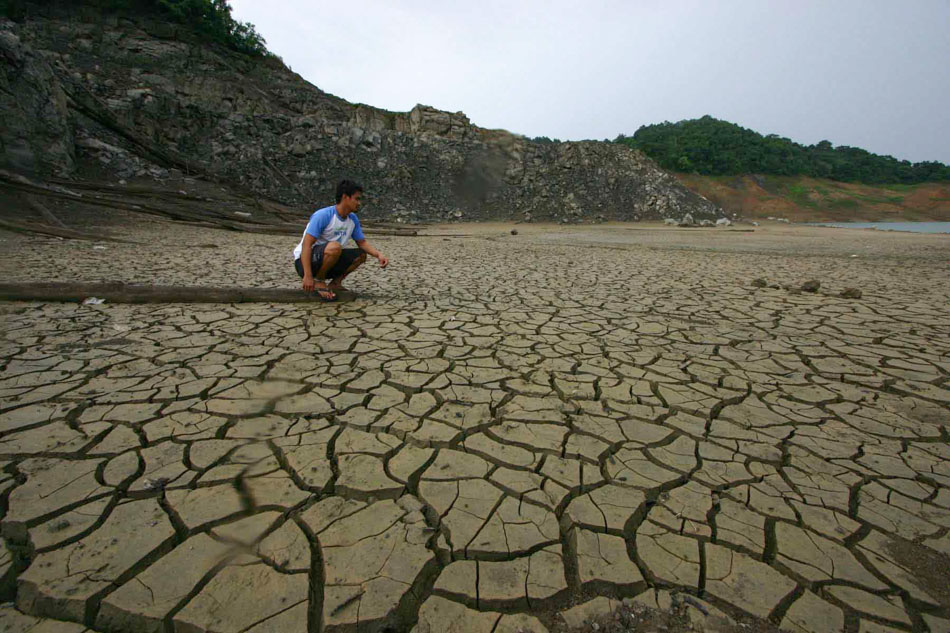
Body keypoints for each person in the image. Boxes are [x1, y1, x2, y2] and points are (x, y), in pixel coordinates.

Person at [293, 180, 389, 301]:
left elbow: (362, 243)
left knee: (360, 255)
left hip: (329, 259)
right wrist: (307, 276)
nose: (359, 203)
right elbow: (306, 245)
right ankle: (319, 281)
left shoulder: (352, 219)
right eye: (357, 199)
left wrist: (379, 255)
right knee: (335, 247)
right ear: (345, 197)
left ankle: (335, 283)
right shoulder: (323, 215)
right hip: (305, 262)